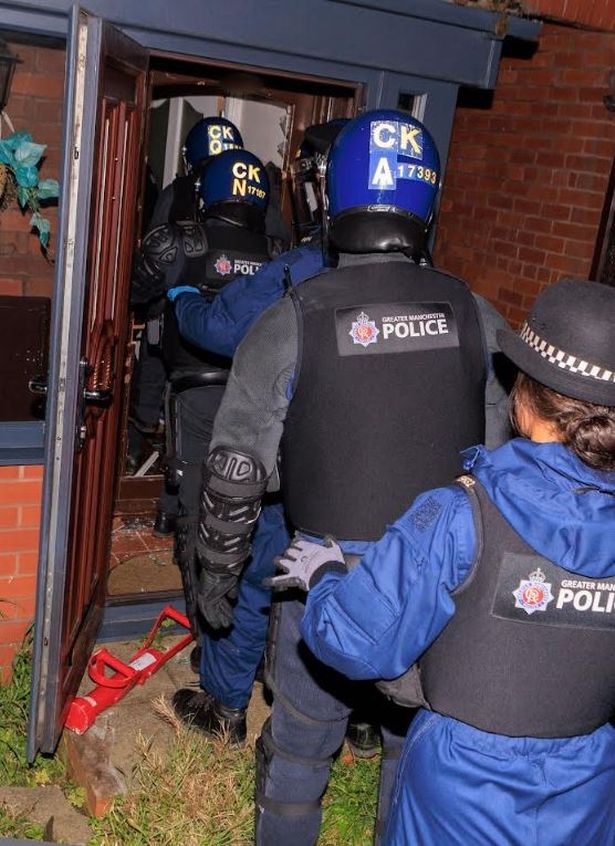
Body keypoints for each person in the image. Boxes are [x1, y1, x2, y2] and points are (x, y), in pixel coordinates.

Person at [192, 109, 513, 844]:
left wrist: (217, 572)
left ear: (331, 194)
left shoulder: (290, 317)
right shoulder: (478, 315)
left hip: (323, 573)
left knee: (302, 742)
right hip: (441, 577)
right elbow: (504, 462)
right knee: (410, 749)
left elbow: (235, 467)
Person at [279, 277, 615, 845]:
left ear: (527, 394)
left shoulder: (461, 514)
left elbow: (357, 641)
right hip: (589, 786)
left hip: (461, 785)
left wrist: (327, 577)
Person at [130, 116, 245, 534]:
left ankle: (139, 445)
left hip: (183, 318)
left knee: (157, 370)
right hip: (236, 329)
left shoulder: (178, 191)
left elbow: (153, 254)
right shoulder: (255, 204)